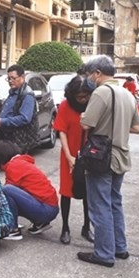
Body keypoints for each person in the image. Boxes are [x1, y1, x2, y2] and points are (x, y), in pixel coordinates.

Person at [78, 55, 139, 268]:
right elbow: (136, 128)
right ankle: (119, 247)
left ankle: (104, 253)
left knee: (100, 205)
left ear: (97, 73)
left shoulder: (101, 92)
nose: (89, 78)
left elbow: (87, 124)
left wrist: (84, 118)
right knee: (115, 202)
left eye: (89, 74)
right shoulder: (127, 93)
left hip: (102, 157)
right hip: (121, 155)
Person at [53, 74, 95, 245]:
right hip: (68, 152)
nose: (83, 99)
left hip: (89, 153)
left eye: (86, 96)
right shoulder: (65, 106)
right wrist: (69, 156)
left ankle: (87, 227)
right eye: (79, 97)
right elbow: (61, 131)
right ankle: (65, 228)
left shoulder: (93, 105)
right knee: (66, 191)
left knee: (88, 192)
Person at [0, 141, 59, 239]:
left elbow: (6, 195)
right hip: (50, 207)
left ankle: (13, 229)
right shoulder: (22, 162)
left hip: (46, 208)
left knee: (6, 190)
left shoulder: (13, 166)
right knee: (10, 192)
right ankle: (40, 223)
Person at [0, 64, 38, 153]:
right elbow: (10, 112)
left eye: (13, 78)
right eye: (8, 78)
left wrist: (2, 122)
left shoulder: (27, 95)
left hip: (19, 141)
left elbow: (24, 118)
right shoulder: (13, 93)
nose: (10, 81)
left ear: (22, 77)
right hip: (8, 138)